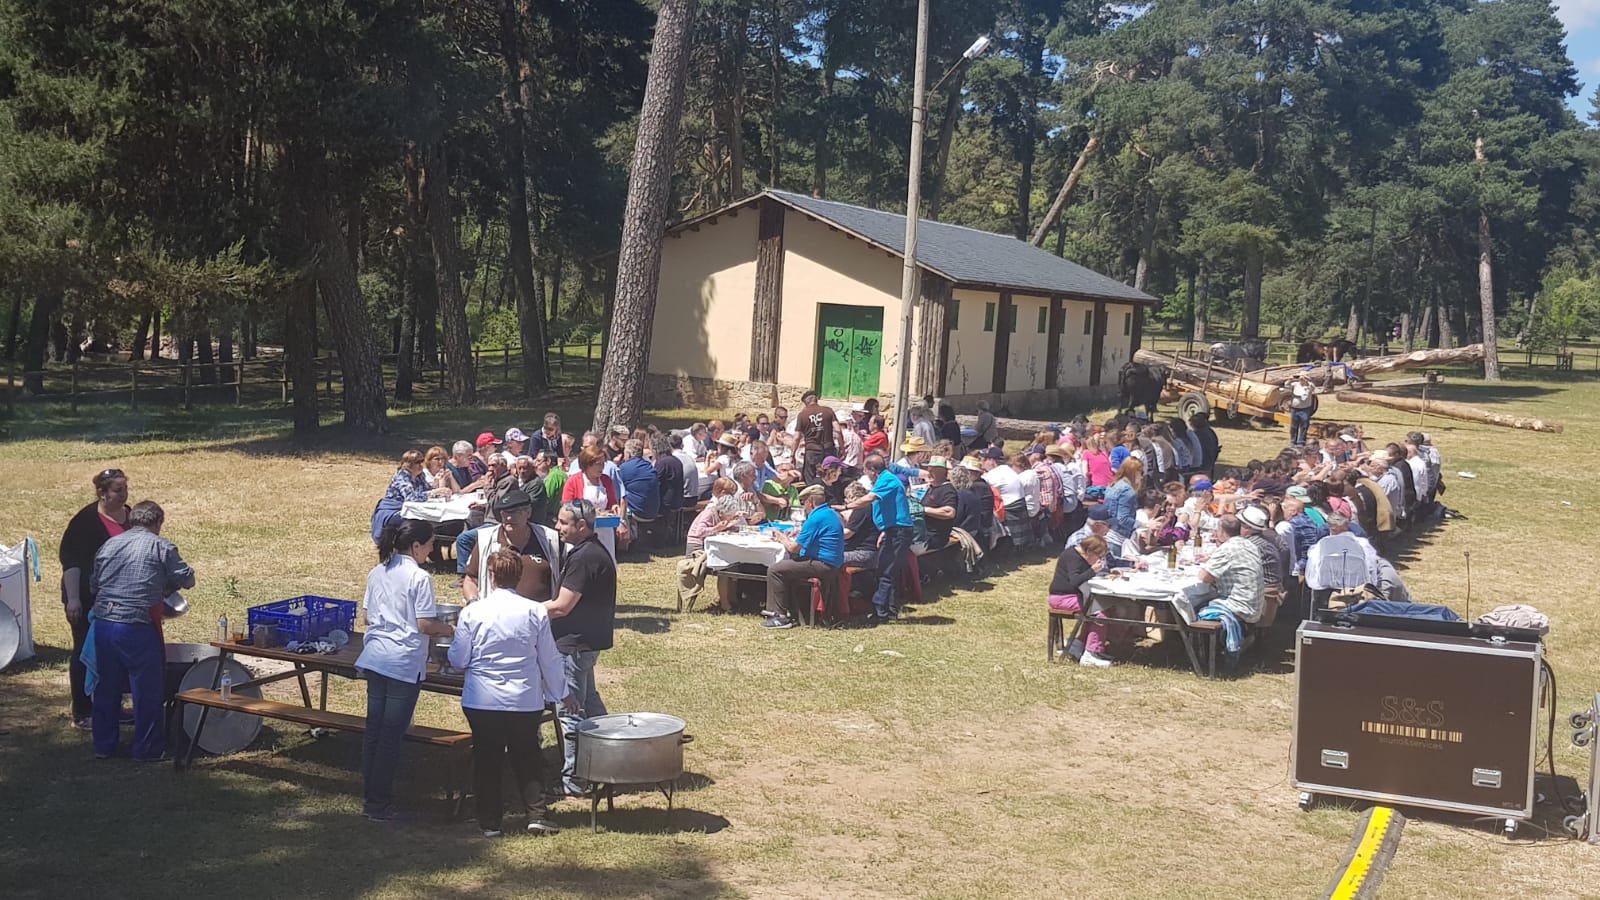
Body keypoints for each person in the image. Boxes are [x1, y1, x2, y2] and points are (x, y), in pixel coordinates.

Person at [448, 548, 575, 838]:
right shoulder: (534, 612)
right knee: (527, 755)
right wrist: (562, 693)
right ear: (518, 577)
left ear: (491, 577)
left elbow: (458, 659)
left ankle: (490, 822)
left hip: (482, 698)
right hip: (523, 698)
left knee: (487, 758)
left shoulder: (473, 612)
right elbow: (549, 658)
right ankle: (537, 814)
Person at [355, 518, 453, 820]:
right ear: (415, 546)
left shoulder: (378, 572)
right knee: (390, 736)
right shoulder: (419, 578)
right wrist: (451, 629)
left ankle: (370, 796)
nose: (432, 549)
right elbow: (425, 624)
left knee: (374, 731)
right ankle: (379, 804)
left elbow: (368, 616)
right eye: (430, 544)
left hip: (375, 657)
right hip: (401, 663)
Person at [88, 500, 193, 760]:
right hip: (136, 625)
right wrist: (165, 583)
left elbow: (94, 584)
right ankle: (147, 749)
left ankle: (104, 745)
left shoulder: (109, 544)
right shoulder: (161, 546)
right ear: (158, 523)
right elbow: (187, 578)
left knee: (107, 687)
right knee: (146, 690)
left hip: (103, 624)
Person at [545, 499, 618, 797]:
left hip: (574, 645)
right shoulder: (592, 551)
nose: (557, 527)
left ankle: (575, 780)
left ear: (582, 526)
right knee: (591, 705)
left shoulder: (584, 557)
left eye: (563, 523)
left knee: (571, 711)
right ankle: (610, 761)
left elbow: (562, 607)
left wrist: (522, 611)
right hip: (587, 642)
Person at [59, 468, 131, 729]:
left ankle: (111, 704)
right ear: (102, 493)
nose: (124, 494)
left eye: (125, 489)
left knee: (114, 651)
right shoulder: (85, 522)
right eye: (117, 490)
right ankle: (82, 711)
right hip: (86, 597)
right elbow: (72, 563)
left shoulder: (130, 516)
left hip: (117, 598)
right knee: (84, 650)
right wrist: (74, 600)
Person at [761, 485, 844, 628]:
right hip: (833, 563)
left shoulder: (816, 518)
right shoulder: (830, 513)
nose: (804, 507)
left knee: (775, 570)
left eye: (804, 502)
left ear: (810, 501)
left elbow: (794, 548)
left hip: (822, 564)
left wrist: (781, 537)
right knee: (789, 565)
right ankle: (792, 609)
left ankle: (779, 616)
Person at [846, 455, 913, 624]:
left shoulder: (886, 479)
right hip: (893, 530)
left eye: (867, 471)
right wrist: (884, 529)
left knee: (886, 571)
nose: (866, 475)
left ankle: (879, 611)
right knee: (887, 571)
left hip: (899, 531)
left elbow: (869, 499)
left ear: (873, 470)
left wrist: (846, 506)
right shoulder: (887, 479)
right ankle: (888, 610)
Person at [462, 489, 560, 602]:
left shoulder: (550, 539)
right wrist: (473, 603)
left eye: (515, 512)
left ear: (528, 513)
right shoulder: (486, 541)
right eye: (505, 513)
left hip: (540, 615)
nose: (509, 518)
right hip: (497, 616)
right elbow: (470, 580)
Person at [1195, 516, 1266, 666]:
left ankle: (1200, 655)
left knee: (1194, 607)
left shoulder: (1227, 548)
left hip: (1240, 606)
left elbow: (1204, 577)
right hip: (1255, 604)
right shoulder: (1249, 545)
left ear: (1221, 531)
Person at [1049, 536, 1124, 667]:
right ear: (1089, 552)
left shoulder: (1080, 556)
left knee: (1102, 607)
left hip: (1072, 595)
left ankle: (1078, 645)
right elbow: (1075, 581)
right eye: (1098, 556)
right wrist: (1092, 571)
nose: (1099, 560)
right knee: (1100, 614)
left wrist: (1107, 571)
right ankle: (1091, 653)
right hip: (1062, 598)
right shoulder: (1073, 557)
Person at [562, 445, 631, 545]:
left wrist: (615, 507)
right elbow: (567, 507)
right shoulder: (573, 481)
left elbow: (612, 503)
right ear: (587, 464)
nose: (602, 467)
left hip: (604, 529)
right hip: (581, 531)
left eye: (604, 463)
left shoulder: (606, 480)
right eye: (598, 464)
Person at [370, 451, 431, 543]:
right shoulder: (402, 476)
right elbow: (411, 498)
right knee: (421, 523)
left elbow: (428, 490)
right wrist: (432, 493)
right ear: (408, 464)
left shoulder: (420, 476)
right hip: (393, 510)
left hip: (410, 509)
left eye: (422, 461)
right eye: (417, 462)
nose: (421, 465)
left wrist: (440, 487)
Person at [796, 390, 839, 482]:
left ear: (806, 402)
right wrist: (842, 448)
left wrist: (793, 453)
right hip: (828, 449)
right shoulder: (828, 411)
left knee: (810, 478)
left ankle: (813, 494)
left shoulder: (802, 415)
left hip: (812, 450)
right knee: (830, 476)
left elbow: (796, 437)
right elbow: (838, 430)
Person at [616, 439, 662, 527]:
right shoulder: (649, 466)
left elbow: (615, 490)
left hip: (637, 513)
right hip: (653, 511)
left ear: (628, 454)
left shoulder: (624, 468)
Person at [919, 456, 959, 550]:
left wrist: (924, 510)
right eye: (929, 469)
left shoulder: (947, 490)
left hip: (935, 537)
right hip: (924, 532)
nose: (929, 472)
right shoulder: (931, 488)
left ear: (942, 472)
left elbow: (949, 513)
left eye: (933, 470)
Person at [1103, 457, 1144, 541]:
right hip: (1119, 536)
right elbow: (1123, 519)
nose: (1142, 477)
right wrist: (1144, 525)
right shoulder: (1128, 492)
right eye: (1141, 473)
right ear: (1134, 472)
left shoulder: (1113, 485)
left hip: (1107, 531)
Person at [1286, 373, 1315, 447]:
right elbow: (1286, 385)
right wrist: (1289, 380)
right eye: (1300, 378)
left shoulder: (1309, 385)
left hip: (1305, 409)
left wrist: (1306, 381)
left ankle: (1301, 442)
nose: (1301, 379)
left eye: (1302, 378)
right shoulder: (1295, 384)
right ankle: (1293, 441)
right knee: (1293, 426)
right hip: (1295, 409)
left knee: (1304, 425)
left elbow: (1313, 387)